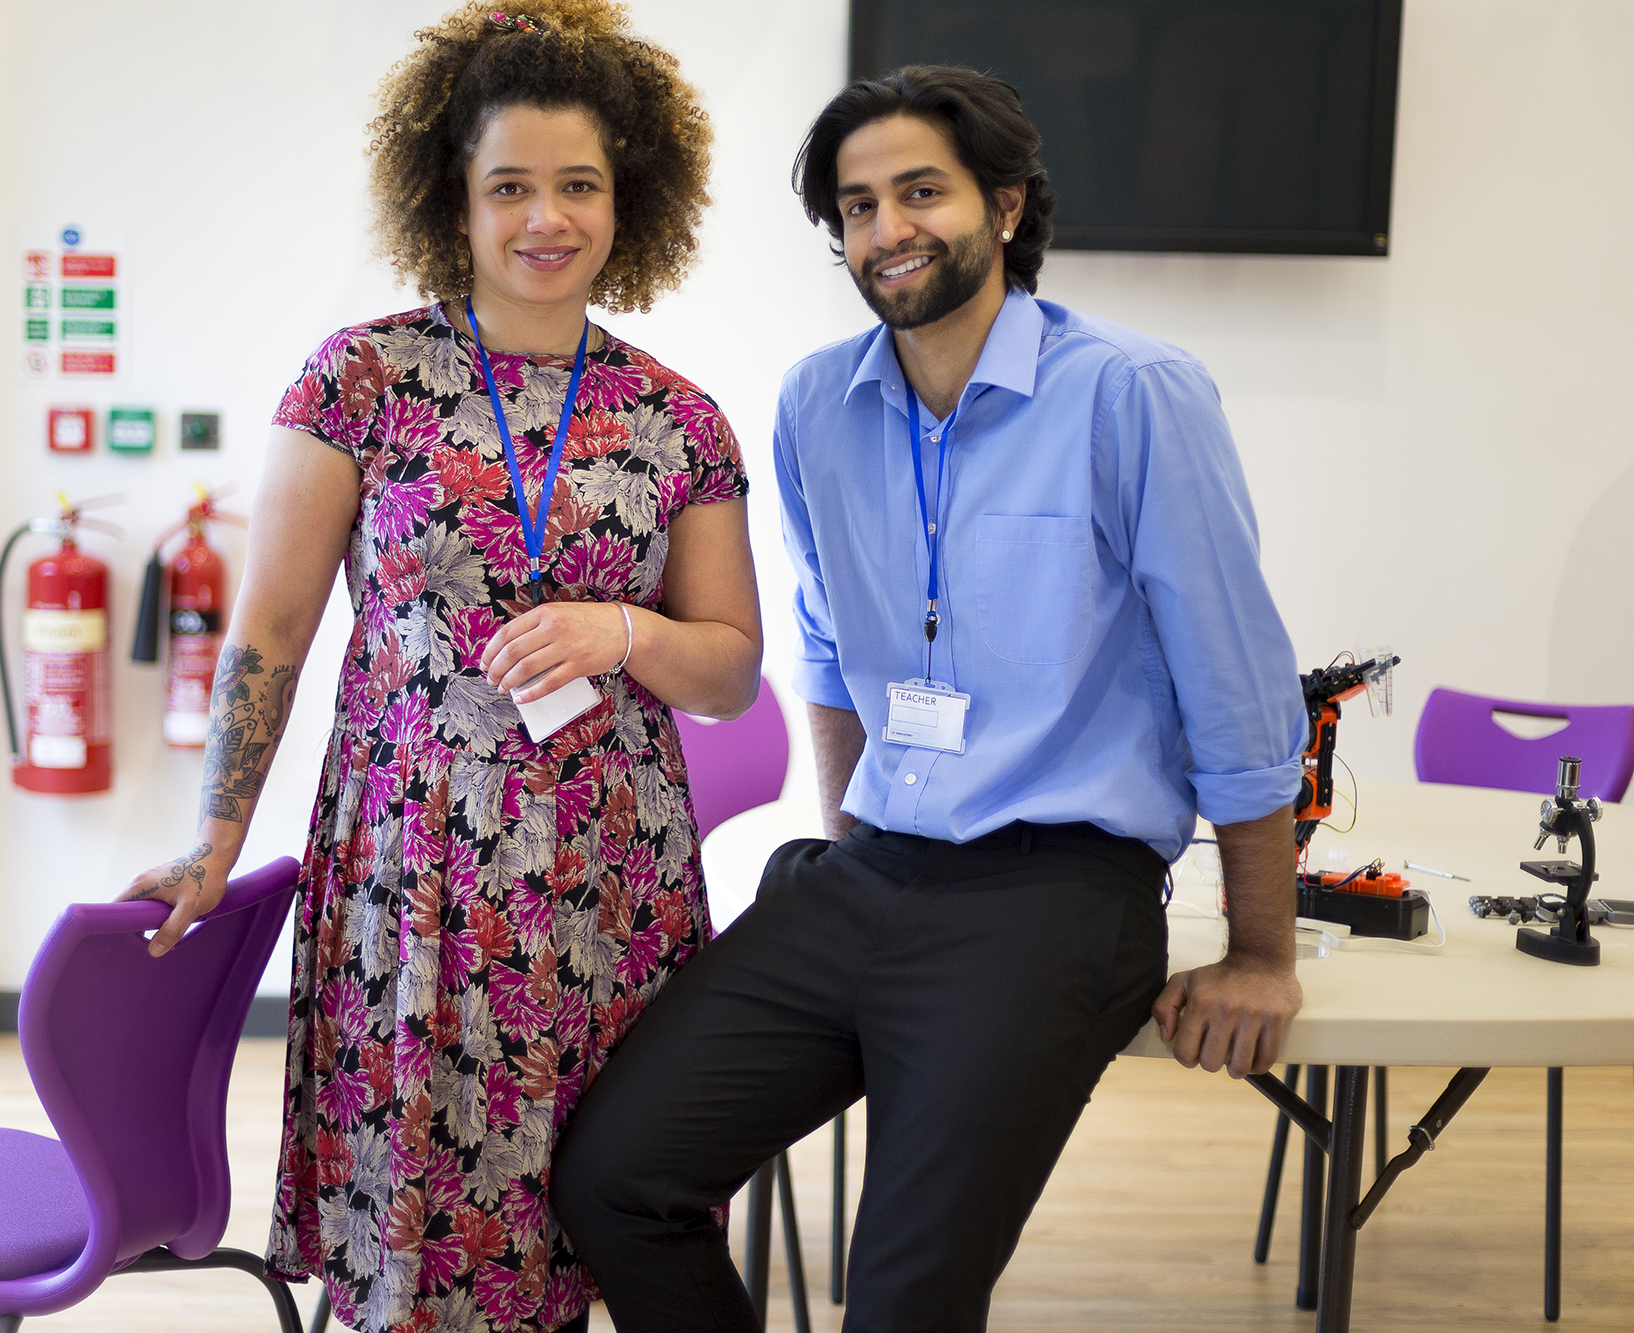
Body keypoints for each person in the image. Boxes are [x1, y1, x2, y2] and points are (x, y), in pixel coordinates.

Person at [551, 64, 1309, 1332]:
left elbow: (1232, 682)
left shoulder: (1130, 393)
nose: (884, 230)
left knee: (901, 1299)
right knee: (615, 1178)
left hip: (1054, 890)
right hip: (874, 871)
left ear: (1004, 205)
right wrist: (848, 843)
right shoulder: (813, 403)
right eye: (854, 207)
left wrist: (1260, 951)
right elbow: (828, 649)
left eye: (919, 192)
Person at [118, 5, 761, 1331]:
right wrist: (211, 839)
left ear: (627, 199)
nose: (546, 216)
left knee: (590, 1222)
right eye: (508, 185)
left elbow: (730, 671)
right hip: (419, 882)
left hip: (610, 891)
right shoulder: (361, 382)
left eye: (578, 184)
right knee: (423, 1245)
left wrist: (624, 635)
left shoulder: (677, 418)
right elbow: (272, 633)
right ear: (449, 201)